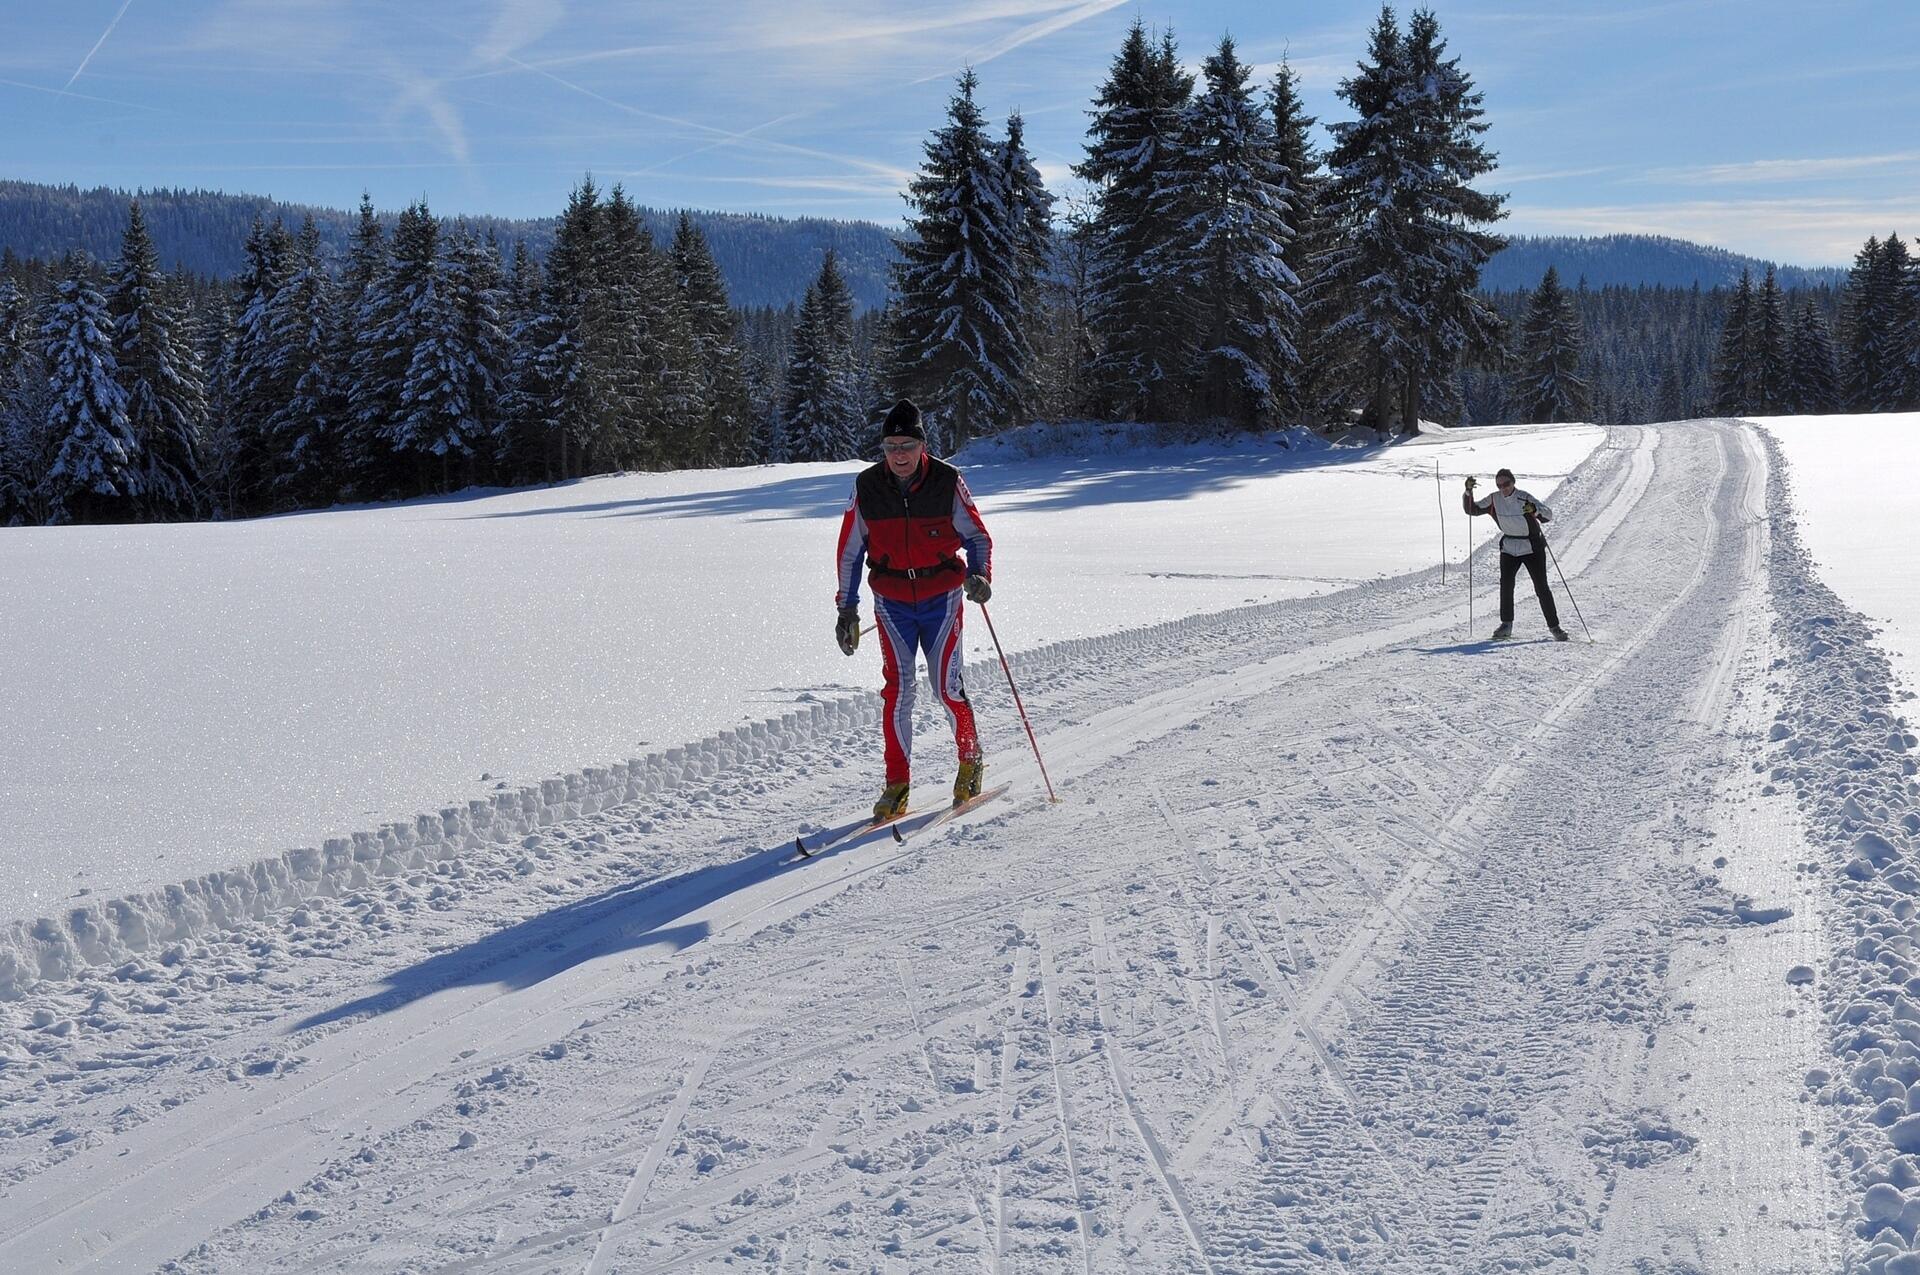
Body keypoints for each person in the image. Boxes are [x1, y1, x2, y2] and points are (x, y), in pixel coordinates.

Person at [834, 399, 994, 819]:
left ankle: (970, 760)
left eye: (906, 444)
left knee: (946, 688)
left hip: (942, 601)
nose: (899, 455)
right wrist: (846, 609)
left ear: (923, 445)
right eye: (890, 446)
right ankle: (897, 784)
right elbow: (850, 552)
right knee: (898, 693)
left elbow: (978, 538)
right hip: (892, 605)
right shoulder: (867, 487)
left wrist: (980, 576)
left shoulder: (947, 481)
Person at [1464, 467, 1568, 642]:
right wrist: (1468, 492)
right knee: (1506, 585)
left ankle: (1554, 627)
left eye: (1506, 484)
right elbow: (1472, 509)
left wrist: (1534, 510)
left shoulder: (1524, 497)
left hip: (1531, 546)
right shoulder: (1494, 499)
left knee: (1541, 587)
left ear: (1513, 483)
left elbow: (1548, 515)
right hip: (1509, 547)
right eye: (1499, 485)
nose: (1503, 488)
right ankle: (1506, 625)